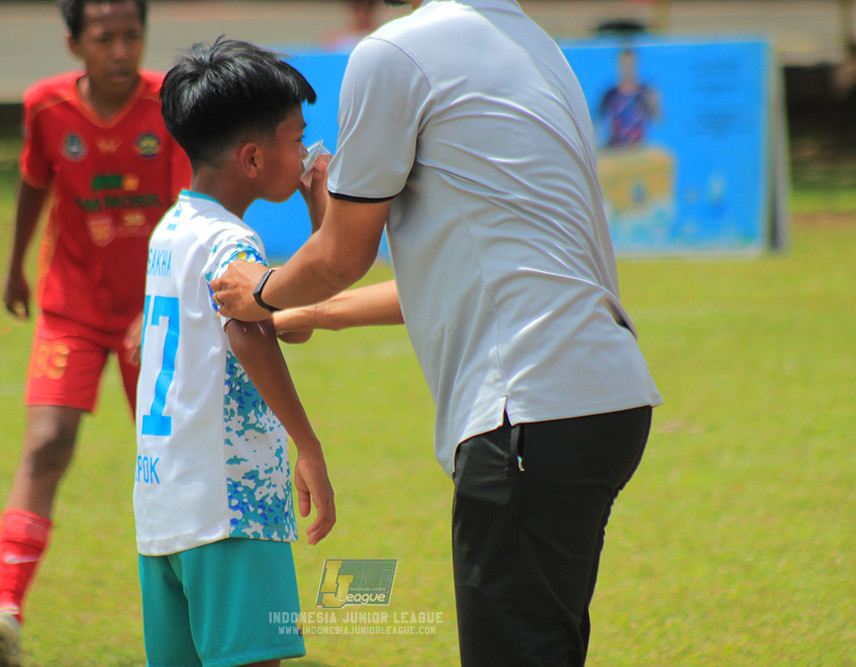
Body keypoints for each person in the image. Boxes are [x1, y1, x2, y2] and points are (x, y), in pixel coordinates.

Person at [209, 1, 662, 665]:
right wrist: (305, 314)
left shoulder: (393, 54)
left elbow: (341, 253)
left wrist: (262, 290)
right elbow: (463, 275)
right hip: (603, 399)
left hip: (527, 406)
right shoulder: (533, 44)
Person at [0, 1, 192, 665]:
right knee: (46, 441)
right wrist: (14, 268)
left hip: (150, 313)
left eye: (132, 36)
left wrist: (154, 307)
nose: (121, 51)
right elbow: (35, 181)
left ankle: (195, 613)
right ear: (74, 44)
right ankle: (5, 609)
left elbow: (183, 208)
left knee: (172, 457)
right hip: (72, 308)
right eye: (104, 38)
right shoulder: (45, 107)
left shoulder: (168, 106)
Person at [134, 37, 335, 667]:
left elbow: (287, 320)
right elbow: (251, 332)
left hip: (164, 510)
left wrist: (316, 209)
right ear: (253, 157)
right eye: (297, 139)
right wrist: (309, 445)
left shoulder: (173, 230)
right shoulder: (232, 240)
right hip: (232, 505)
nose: (305, 153)